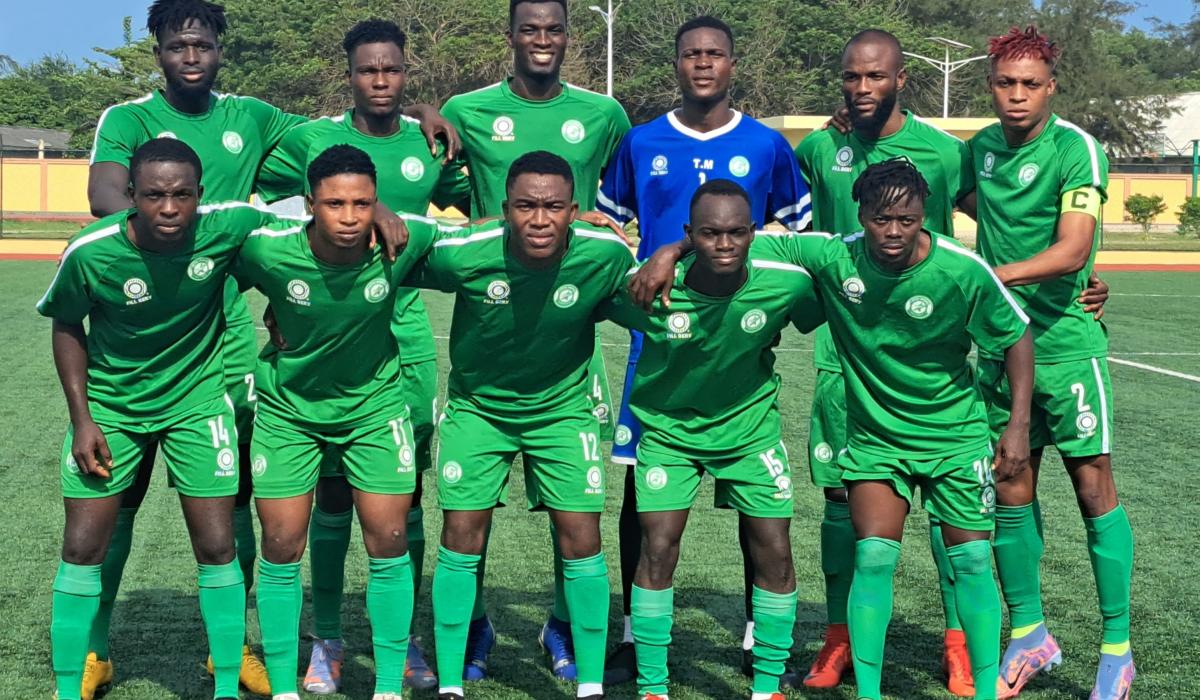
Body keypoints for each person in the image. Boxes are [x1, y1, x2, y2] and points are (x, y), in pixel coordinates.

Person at [83, 2, 451, 694]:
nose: (191, 56)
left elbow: (345, 139)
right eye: (177, 45)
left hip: (224, 335)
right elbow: (106, 201)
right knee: (118, 496)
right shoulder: (128, 120)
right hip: (145, 330)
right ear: (158, 52)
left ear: (221, 49)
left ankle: (234, 648)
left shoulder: (252, 117)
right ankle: (94, 648)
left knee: (238, 496)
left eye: (203, 44)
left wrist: (410, 119)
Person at [640, 159, 1033, 700]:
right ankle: (868, 693)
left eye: (907, 220)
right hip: (876, 440)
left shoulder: (961, 269)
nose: (893, 232)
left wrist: (1016, 426)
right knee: (871, 557)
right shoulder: (832, 254)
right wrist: (671, 249)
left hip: (955, 436)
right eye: (880, 219)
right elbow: (730, 238)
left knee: (970, 562)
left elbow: (1016, 334)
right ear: (861, 216)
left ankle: (985, 688)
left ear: (924, 216)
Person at [595, 14, 812, 683]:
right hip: (661, 343)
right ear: (677, 64)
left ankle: (755, 632)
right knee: (640, 494)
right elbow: (607, 224)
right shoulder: (641, 141)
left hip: (738, 344)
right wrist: (647, 258)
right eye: (692, 53)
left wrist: (682, 248)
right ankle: (632, 632)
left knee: (758, 508)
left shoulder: (767, 145)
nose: (703, 63)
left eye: (715, 53)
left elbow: (797, 231)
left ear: (732, 64)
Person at [255, 18, 466, 693]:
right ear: (347, 75)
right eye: (368, 70)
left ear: (407, 73)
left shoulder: (428, 142)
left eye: (392, 70)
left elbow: (474, 206)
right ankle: (327, 638)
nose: (380, 80)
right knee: (328, 494)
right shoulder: (312, 139)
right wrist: (286, 293)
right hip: (323, 331)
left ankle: (402, 642)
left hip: (403, 339)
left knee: (404, 495)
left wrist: (430, 116)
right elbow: (259, 194)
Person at [39, 138, 282, 700]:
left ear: (200, 194)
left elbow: (303, 233)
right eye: (153, 195)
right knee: (82, 548)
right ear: (131, 195)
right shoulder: (92, 252)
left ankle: (226, 685)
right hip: (113, 407)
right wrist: (82, 419)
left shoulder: (227, 225)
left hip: (198, 404)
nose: (169, 208)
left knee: (218, 546)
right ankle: (72, 683)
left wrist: (278, 299)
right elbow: (67, 325)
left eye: (182, 195)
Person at [439, 0, 631, 679]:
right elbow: (435, 181)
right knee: (468, 509)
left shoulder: (604, 114)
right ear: (511, 36)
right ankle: (472, 625)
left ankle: (562, 624)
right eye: (530, 28)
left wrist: (602, 225)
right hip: (491, 318)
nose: (542, 39)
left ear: (568, 37)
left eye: (554, 29)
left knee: (573, 508)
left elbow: (621, 193)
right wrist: (420, 115)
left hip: (567, 332)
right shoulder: (466, 110)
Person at [401, 151, 633, 700]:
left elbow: (654, 288)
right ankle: (453, 679)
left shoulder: (604, 253)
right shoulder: (468, 252)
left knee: (581, 535)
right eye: (526, 206)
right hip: (479, 410)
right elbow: (397, 255)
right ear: (505, 210)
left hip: (561, 410)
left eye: (554, 207)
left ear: (574, 211)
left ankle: (590, 683)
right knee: (462, 532)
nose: (539, 219)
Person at [793, 28, 977, 694]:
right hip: (844, 357)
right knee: (841, 498)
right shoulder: (819, 149)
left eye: (875, 76)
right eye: (851, 76)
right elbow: (785, 224)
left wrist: (1076, 277)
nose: (862, 87)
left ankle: (959, 642)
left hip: (930, 363)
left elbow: (999, 226)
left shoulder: (945, 153)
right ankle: (838, 637)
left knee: (949, 509)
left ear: (902, 79)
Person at [234, 144, 453, 700]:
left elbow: (486, 236)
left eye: (363, 204)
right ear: (309, 204)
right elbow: (202, 250)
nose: (350, 217)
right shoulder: (266, 248)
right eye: (335, 204)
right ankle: (290, 681)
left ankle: (388, 686)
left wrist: (583, 227)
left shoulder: (404, 240)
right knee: (280, 543)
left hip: (373, 410)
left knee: (389, 538)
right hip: (290, 413)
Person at [599, 179, 821, 700]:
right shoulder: (647, 286)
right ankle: (653, 687)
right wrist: (663, 255)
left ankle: (767, 686)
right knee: (657, 548)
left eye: (736, 233)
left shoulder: (786, 284)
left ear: (753, 233)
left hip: (749, 433)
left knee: (776, 552)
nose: (724, 244)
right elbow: (582, 300)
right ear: (689, 234)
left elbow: (834, 288)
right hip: (670, 433)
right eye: (709, 234)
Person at [964, 26, 1134, 700]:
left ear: (1051, 88)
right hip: (1002, 351)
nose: (1017, 95)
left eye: (1030, 84)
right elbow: (947, 194)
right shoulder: (978, 151)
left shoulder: (1075, 150)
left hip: (1066, 347)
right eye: (1006, 83)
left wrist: (989, 277)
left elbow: (1071, 249)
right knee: (1010, 482)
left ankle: (1117, 649)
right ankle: (1030, 633)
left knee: (1093, 486)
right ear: (990, 86)